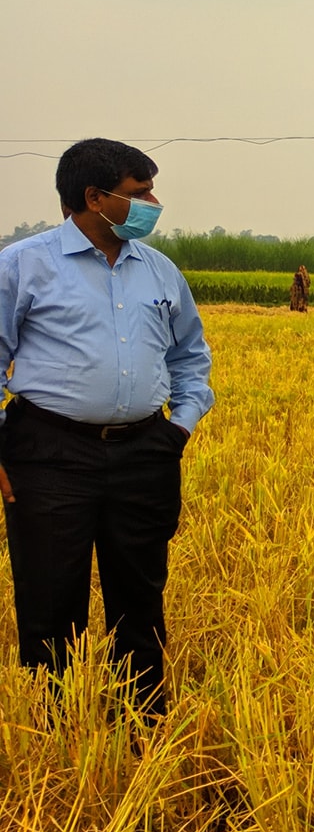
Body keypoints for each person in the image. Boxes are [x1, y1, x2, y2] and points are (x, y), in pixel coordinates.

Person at [0, 138, 213, 715]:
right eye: (139, 192)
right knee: (50, 602)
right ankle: (55, 728)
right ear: (94, 198)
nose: (153, 204)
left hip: (145, 452)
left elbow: (190, 356)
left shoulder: (160, 271)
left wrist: (178, 428)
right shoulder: (23, 265)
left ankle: (142, 724)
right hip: (49, 453)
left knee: (140, 599)